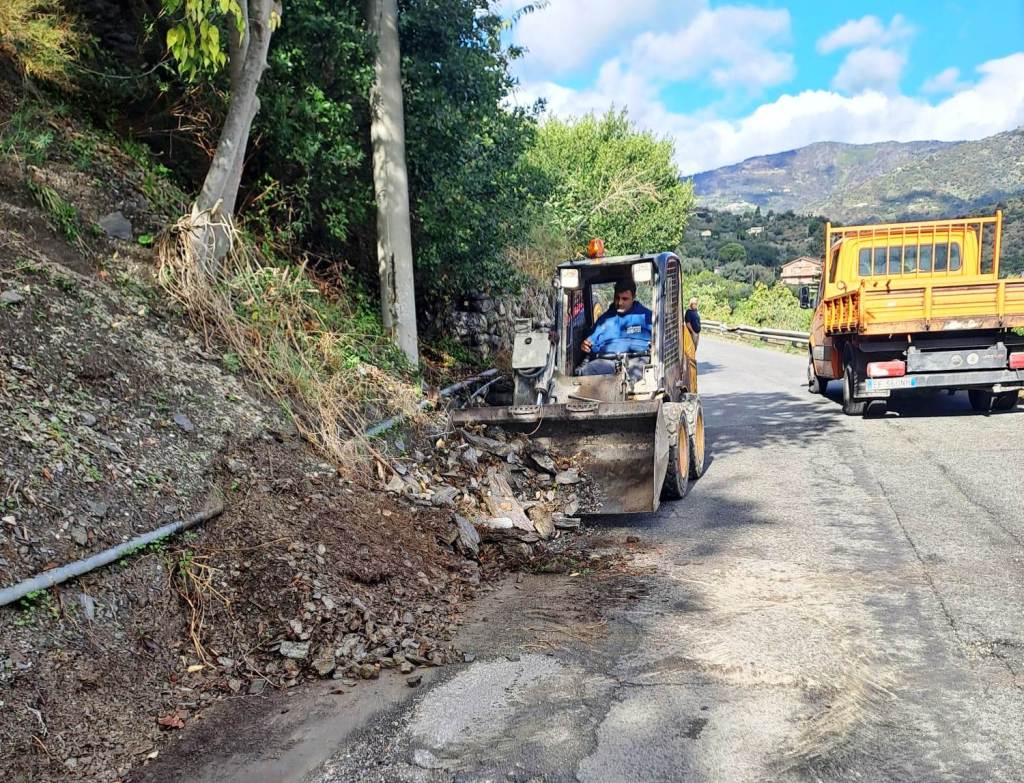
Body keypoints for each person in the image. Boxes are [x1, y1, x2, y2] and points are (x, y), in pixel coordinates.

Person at [579, 280, 652, 379]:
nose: (620, 303)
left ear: (633, 298)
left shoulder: (646, 316)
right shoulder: (604, 319)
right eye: (617, 298)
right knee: (588, 370)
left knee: (633, 379)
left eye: (625, 299)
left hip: (637, 360)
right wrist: (585, 345)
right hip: (606, 361)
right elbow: (590, 342)